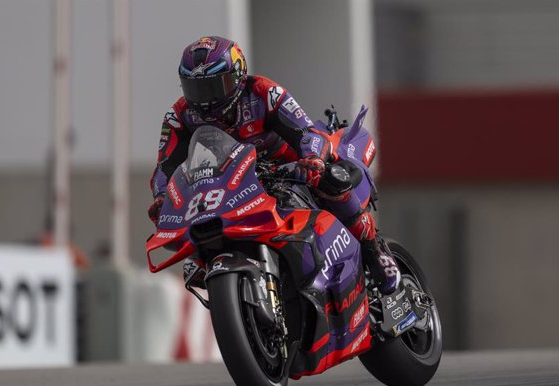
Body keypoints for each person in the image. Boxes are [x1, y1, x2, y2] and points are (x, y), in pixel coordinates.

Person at [148, 36, 399, 295]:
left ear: (237, 76)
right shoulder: (179, 116)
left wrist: (312, 160)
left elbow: (307, 132)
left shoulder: (263, 93)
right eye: (196, 89)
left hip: (288, 168)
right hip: (231, 183)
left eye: (214, 86)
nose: (205, 101)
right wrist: (162, 197)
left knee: (331, 180)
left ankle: (375, 252)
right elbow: (164, 168)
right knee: (193, 254)